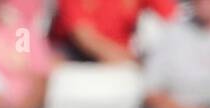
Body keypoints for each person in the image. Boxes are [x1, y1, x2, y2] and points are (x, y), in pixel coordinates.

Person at [49, 0, 177, 64]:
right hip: (75, 57)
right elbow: (85, 38)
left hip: (122, 58)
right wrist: (132, 63)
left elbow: (173, 18)